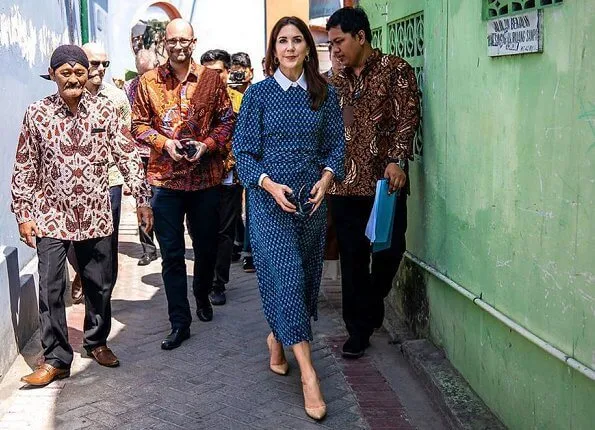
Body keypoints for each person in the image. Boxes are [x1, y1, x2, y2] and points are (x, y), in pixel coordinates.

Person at [11, 45, 153, 386]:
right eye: (66, 72)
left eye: (79, 72)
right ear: (53, 75)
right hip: (50, 213)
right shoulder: (37, 113)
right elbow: (25, 166)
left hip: (94, 211)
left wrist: (143, 199)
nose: (73, 78)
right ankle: (56, 358)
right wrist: (23, 213)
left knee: (99, 284)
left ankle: (96, 342)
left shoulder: (106, 111)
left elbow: (127, 155)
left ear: (88, 73)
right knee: (50, 287)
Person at [233, 16, 345, 420]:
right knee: (289, 276)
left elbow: (336, 147)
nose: (291, 47)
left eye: (298, 40)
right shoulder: (258, 95)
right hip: (269, 205)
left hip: (310, 205)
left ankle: (277, 339)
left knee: (303, 282)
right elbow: (242, 153)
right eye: (283, 41)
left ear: (307, 49)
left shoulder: (323, 95)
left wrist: (328, 178)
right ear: (273, 50)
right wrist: (267, 184)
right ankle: (309, 375)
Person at [131, 19, 235, 350]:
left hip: (205, 179)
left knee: (205, 247)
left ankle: (202, 293)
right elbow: (137, 125)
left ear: (194, 42)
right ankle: (180, 321)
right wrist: (163, 143)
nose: (178, 46)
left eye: (184, 40)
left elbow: (228, 120)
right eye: (172, 40)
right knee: (172, 254)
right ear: (165, 42)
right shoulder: (147, 82)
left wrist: (207, 144)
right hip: (165, 181)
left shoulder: (211, 80)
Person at [326, 7, 420, 358]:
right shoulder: (333, 83)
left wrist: (397, 160)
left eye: (339, 41)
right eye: (331, 43)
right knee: (352, 260)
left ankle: (373, 300)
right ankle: (357, 333)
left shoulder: (397, 71)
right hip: (344, 187)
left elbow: (407, 118)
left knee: (389, 252)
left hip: (385, 187)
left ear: (360, 36)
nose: (334, 49)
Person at [66, 43, 132, 306]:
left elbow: (125, 141)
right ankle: (83, 272)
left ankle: (103, 295)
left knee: (107, 240)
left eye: (105, 64)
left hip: (109, 178)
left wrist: (130, 181)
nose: (100, 69)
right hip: (72, 180)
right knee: (72, 238)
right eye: (94, 63)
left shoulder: (116, 98)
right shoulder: (66, 93)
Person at [200, 49, 244, 306]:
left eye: (217, 72)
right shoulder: (194, 100)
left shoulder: (241, 100)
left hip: (229, 176)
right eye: (207, 72)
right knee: (200, 230)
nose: (212, 77)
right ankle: (203, 278)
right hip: (200, 178)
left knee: (225, 232)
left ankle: (218, 283)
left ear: (227, 72)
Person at [124, 49, 160, 266]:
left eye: (149, 71)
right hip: (139, 155)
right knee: (142, 200)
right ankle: (148, 248)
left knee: (163, 202)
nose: (146, 76)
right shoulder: (129, 88)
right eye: (142, 73)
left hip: (162, 153)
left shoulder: (166, 85)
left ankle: (166, 244)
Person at [229, 52, 256, 273]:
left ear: (251, 72)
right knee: (234, 206)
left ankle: (249, 251)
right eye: (234, 69)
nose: (238, 73)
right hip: (231, 159)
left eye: (242, 69)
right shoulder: (227, 96)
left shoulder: (257, 94)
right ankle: (237, 242)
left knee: (251, 205)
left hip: (253, 159)